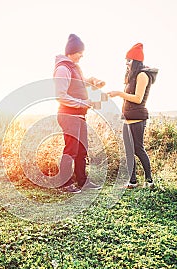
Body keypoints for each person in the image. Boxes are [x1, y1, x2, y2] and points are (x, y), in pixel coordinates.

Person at [54, 34, 104, 193]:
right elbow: (60, 96)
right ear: (72, 51)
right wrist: (84, 103)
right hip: (69, 116)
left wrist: (92, 81)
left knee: (82, 149)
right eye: (80, 52)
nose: (82, 55)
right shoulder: (63, 68)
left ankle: (82, 181)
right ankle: (64, 184)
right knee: (71, 149)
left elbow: (78, 84)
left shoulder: (75, 67)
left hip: (80, 116)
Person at [108, 43, 158, 189]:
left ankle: (149, 181)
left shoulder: (142, 75)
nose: (126, 63)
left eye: (129, 60)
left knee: (138, 149)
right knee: (128, 150)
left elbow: (137, 98)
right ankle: (132, 182)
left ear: (136, 61)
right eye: (126, 60)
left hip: (138, 118)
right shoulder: (132, 76)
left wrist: (118, 93)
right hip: (127, 118)